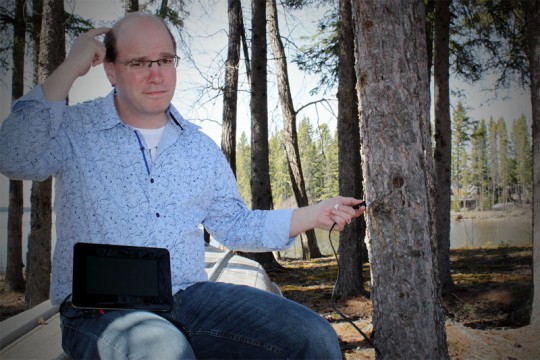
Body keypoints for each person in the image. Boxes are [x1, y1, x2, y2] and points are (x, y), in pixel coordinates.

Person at [0, 12, 365, 359]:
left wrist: (313, 215)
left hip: (187, 297)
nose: (156, 75)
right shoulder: (74, 130)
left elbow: (235, 225)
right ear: (111, 70)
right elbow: (12, 157)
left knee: (312, 335)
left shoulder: (198, 148)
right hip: (99, 311)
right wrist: (69, 68)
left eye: (165, 60)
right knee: (164, 351)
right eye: (139, 63)